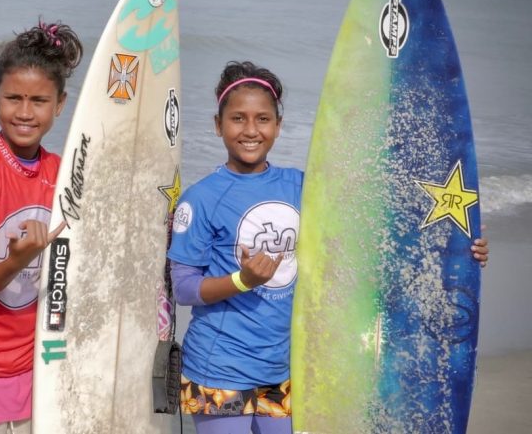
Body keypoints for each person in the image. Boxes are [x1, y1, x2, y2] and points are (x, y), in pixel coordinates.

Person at [167, 61, 490, 434]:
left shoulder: (303, 187)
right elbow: (185, 289)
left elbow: (371, 234)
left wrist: (459, 246)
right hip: (219, 368)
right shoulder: (201, 199)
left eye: (263, 119)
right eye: (238, 119)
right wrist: (243, 280)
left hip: (288, 369)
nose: (251, 130)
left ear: (278, 125)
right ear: (217, 125)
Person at [0, 20, 82, 434]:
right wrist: (17, 260)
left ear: (60, 105)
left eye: (39, 100)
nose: (25, 112)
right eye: (13, 98)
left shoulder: (61, 174)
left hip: (40, 366)